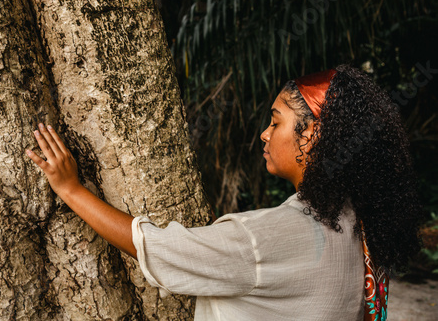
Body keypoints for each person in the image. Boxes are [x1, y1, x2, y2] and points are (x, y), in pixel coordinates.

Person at [25, 63, 422, 320]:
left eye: (276, 122)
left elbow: (159, 248)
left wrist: (71, 189)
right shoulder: (361, 223)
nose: (264, 134)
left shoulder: (266, 239)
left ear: (313, 137)